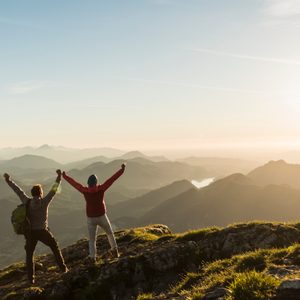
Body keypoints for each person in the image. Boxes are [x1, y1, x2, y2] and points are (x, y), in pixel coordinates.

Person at [3, 170, 68, 284]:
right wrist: (59, 177)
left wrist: (9, 180)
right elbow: (54, 190)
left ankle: (31, 279)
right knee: (55, 247)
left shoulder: (27, 201)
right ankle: (63, 269)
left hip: (30, 233)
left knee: (29, 254)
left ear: (32, 193)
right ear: (40, 193)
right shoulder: (45, 201)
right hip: (43, 231)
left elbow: (18, 191)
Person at [62, 163, 126, 263]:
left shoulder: (85, 190)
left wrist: (65, 176)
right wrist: (121, 170)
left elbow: (74, 183)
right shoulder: (101, 188)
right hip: (102, 216)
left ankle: (93, 257)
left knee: (92, 240)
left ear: (88, 183)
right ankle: (115, 251)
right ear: (96, 182)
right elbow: (112, 179)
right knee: (110, 233)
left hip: (91, 218)